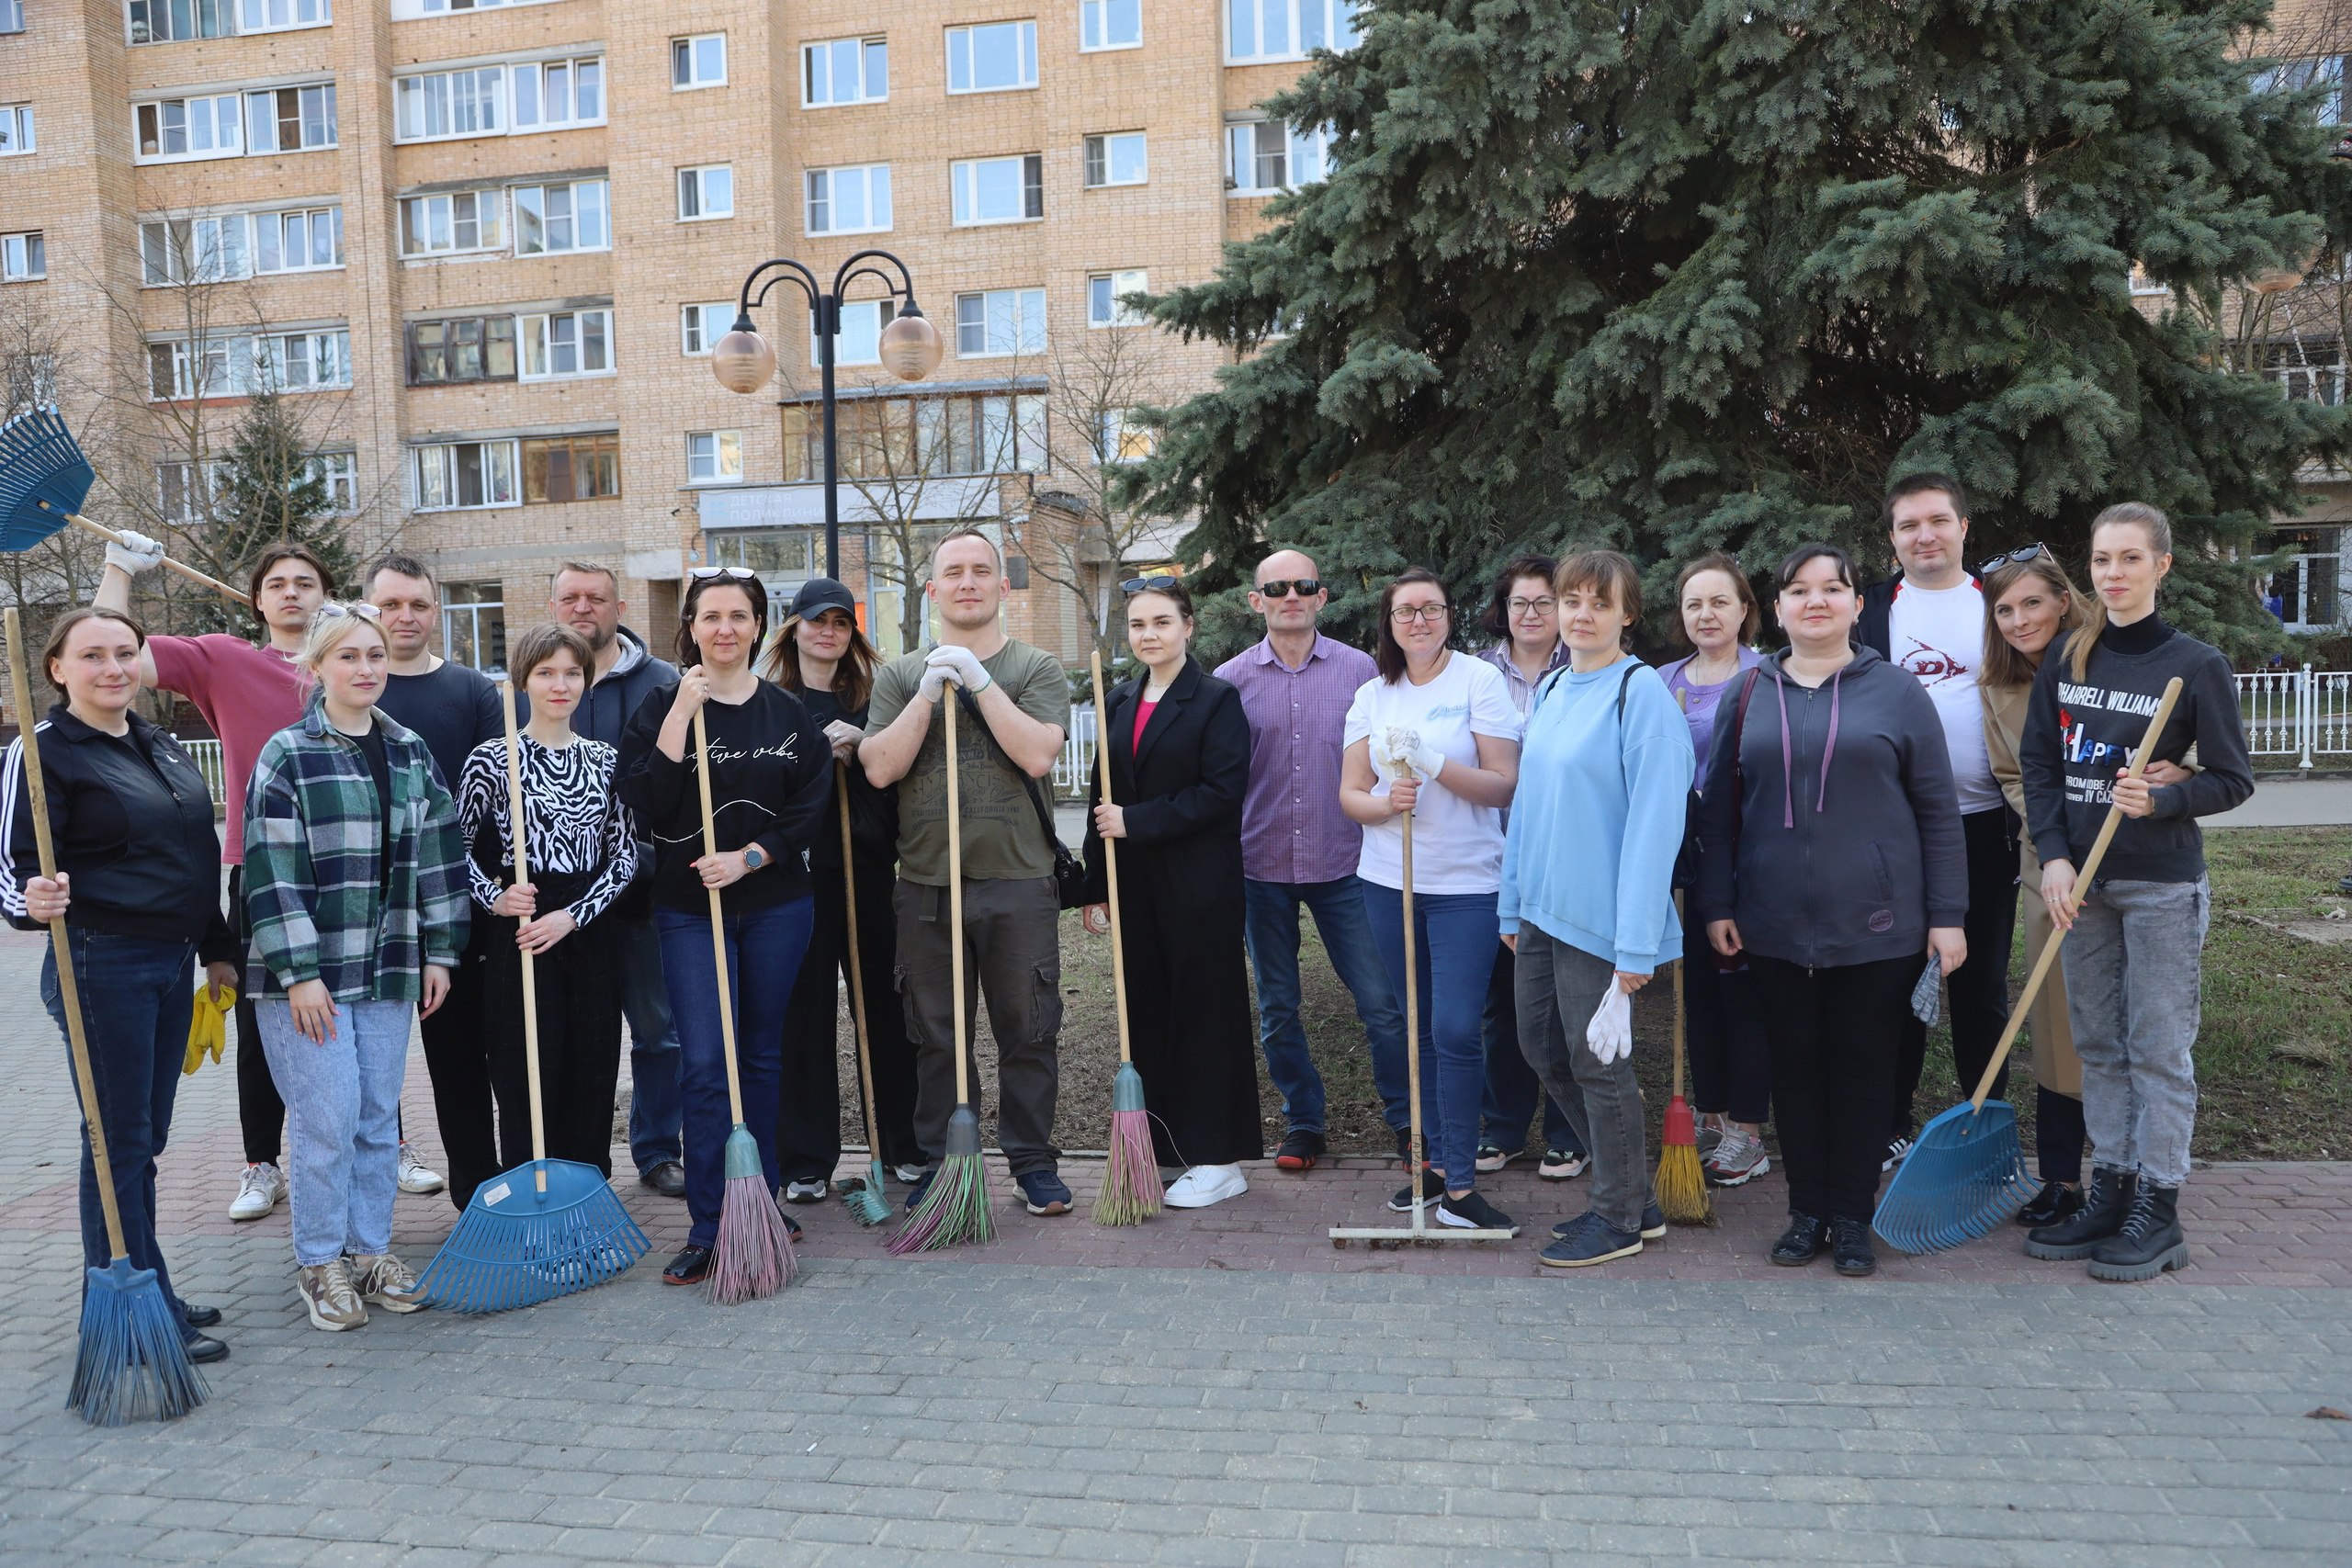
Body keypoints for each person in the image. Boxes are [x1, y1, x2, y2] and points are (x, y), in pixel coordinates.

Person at [93, 536, 447, 1217]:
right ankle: (262, 1162)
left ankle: (387, 1142)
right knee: (273, 1023)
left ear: (327, 596)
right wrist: (117, 571)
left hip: (359, 877)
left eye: (305, 581)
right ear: (257, 599)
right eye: (276, 582)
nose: (290, 591)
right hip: (263, 871)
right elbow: (112, 656)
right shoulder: (224, 659)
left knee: (372, 1017)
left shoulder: (360, 660)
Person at [1696, 544, 1968, 1280]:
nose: (1816, 601)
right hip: (1773, 922)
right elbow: (1717, 810)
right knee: (1794, 1069)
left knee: (1864, 1072)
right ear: (1777, 607)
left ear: (1856, 602)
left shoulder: (1899, 692)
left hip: (1878, 927)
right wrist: (1719, 899)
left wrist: (1948, 914)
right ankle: (1805, 1211)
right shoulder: (1748, 693)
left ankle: (1850, 1215)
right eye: (1799, 590)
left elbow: (1939, 812)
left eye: (1833, 588)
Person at [2018, 504, 2254, 1280]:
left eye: (2129, 558)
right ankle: (2112, 1185)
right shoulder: (2069, 656)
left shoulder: (2195, 664)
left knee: (2157, 1047)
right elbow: (2043, 769)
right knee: (2099, 1046)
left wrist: (2167, 797)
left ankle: (2161, 1203)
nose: (2112, 573)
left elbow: (2233, 779)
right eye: (2100, 559)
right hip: (2080, 886)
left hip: (2158, 885)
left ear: (2162, 566)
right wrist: (2053, 857)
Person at [3, 607, 241, 1365]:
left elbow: (194, 849)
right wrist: (28, 903)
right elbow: (12, 869)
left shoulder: (158, 740)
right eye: (93, 655)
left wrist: (217, 948)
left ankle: (148, 1284)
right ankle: (123, 1304)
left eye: (125, 653)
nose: (113, 667)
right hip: (101, 966)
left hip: (171, 964)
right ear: (57, 670)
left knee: (145, 1139)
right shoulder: (43, 754)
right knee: (116, 1142)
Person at [243, 603, 469, 1331]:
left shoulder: (409, 750)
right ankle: (319, 1259)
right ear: (317, 668)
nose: (365, 668)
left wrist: (441, 948)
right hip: (307, 978)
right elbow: (270, 874)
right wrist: (299, 970)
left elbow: (439, 855)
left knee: (377, 1117)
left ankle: (369, 1251)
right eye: (348, 657)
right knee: (329, 1117)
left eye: (374, 655)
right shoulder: (288, 754)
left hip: (390, 968)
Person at [619, 570, 831, 1285]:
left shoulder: (787, 714)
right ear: (691, 626)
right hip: (688, 913)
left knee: (762, 1058)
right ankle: (711, 1224)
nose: (725, 628)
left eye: (740, 615)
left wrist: (751, 856)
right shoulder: (659, 705)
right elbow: (647, 800)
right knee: (707, 1065)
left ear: (759, 626)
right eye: (711, 616)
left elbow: (811, 803)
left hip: (776, 906)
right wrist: (681, 711)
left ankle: (759, 1204)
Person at [861, 529, 1075, 1218]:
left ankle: (1032, 1161)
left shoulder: (1034, 666)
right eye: (952, 572)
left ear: (1002, 586)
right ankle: (944, 1161)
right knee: (935, 1035)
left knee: (1029, 1027)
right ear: (931, 589)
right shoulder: (898, 675)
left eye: (982, 571)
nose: (968, 582)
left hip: (1019, 882)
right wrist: (927, 694)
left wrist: (979, 682)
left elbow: (1039, 755)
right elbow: (880, 767)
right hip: (926, 884)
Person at [1498, 552, 1692, 1266]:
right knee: (1542, 1048)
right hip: (1542, 914)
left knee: (1598, 1062)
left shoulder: (1639, 696)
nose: (1580, 614)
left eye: (1598, 603)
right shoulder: (1552, 686)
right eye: (1569, 600)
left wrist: (1636, 947)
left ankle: (1618, 1217)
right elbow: (1530, 803)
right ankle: (1632, 1189)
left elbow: (1653, 829)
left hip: (1604, 926)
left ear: (1627, 614)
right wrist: (1511, 903)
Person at [1213, 550, 1412, 1174]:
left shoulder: (1364, 673)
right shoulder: (1230, 681)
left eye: (1303, 586)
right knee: (1277, 1006)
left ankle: (1409, 1123)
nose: (1291, 595)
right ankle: (1304, 1121)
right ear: (1257, 600)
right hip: (1259, 866)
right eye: (1277, 587)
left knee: (1382, 1001)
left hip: (1348, 865)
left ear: (1322, 596)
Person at [1340, 569, 1522, 1233]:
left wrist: (1436, 764)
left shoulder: (1479, 680)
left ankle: (1464, 1186)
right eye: (1404, 611)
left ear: (1450, 615)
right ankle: (1432, 1169)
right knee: (1413, 1027)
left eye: (1431, 608)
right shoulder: (1371, 694)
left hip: (1467, 885)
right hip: (1389, 881)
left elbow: (1504, 785)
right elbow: (1350, 793)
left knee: (1453, 1028)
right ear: (1388, 623)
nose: (1418, 620)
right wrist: (1386, 802)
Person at [1080, 577, 1261, 1207]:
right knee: (1148, 1015)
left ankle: (1218, 1156)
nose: (1149, 634)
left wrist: (1139, 821)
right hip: (1135, 887)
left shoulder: (1215, 700)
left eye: (1161, 621)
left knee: (1205, 1017)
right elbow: (1102, 795)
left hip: (1199, 887)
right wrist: (1095, 884)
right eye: (1138, 625)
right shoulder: (1121, 699)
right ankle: (1159, 1147)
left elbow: (1221, 793)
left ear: (1188, 626)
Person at [1858, 474, 2018, 1170]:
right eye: (1908, 525)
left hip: (1987, 825)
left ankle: (1986, 1127)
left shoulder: (2002, 603)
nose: (1924, 535)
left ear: (1963, 526)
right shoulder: (1870, 612)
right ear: (1891, 538)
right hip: (1893, 834)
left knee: (1979, 986)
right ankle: (1892, 1124)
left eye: (1937, 520)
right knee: (1895, 984)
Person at [458, 623, 636, 1177]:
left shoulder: (608, 760)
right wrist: (495, 896)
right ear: (522, 681)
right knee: (525, 1073)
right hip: (521, 928)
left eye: (572, 673)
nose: (560, 685)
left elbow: (625, 855)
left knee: (592, 1069)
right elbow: (456, 852)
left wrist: (573, 916)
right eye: (545, 673)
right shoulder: (492, 759)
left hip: (586, 925)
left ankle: (585, 1199)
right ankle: (535, 1200)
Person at [764, 577, 920, 1202]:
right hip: (797, 878)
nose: (827, 631)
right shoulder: (773, 700)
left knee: (884, 1008)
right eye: (815, 620)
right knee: (802, 1018)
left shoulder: (873, 695)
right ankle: (805, 1159)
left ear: (851, 633)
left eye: (840, 622)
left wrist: (860, 744)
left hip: (866, 869)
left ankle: (901, 1144)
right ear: (794, 627)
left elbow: (899, 768)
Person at [368, 555, 510, 1211]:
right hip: (377, 913)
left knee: (471, 1058)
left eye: (419, 605)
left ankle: (484, 1193)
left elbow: (492, 802)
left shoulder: (473, 692)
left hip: (464, 904)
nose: (406, 616)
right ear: (370, 608)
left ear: (435, 611)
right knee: (377, 1071)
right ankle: (361, 1217)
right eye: (392, 604)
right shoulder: (352, 690)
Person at [552, 563, 685, 1199]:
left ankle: (658, 1147)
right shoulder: (535, 680)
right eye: (571, 597)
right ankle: (576, 1155)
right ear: (554, 605)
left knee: (659, 1030)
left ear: (619, 605)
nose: (584, 607)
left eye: (596, 597)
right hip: (558, 897)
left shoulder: (664, 683)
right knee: (576, 1032)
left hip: (642, 894)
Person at [1470, 556, 1587, 1184]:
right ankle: (1506, 1126)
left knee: (1564, 1003)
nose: (1534, 614)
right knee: (1502, 1004)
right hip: (1492, 861)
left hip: (1563, 862)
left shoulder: (1587, 669)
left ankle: (1569, 1133)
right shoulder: (1476, 674)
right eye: (1522, 602)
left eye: (1546, 602)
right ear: (1504, 609)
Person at [1658, 553, 1772, 1188]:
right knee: (1696, 992)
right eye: (1694, 603)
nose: (1706, 613)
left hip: (1749, 859)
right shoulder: (1662, 680)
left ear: (1745, 610)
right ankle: (1710, 1113)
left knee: (1742, 992)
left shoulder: (1768, 677)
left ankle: (1748, 1132)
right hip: (1685, 860)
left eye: (1719, 601)